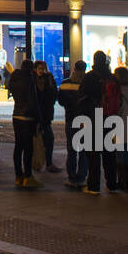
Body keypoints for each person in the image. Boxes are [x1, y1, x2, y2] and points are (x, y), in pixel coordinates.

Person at [83, 51, 114, 195]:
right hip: (110, 118)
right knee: (109, 153)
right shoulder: (111, 77)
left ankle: (94, 185)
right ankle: (112, 183)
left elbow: (82, 97)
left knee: (94, 154)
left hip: (93, 118)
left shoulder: (89, 77)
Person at [8, 59, 41, 188]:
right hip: (27, 117)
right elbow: (33, 101)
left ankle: (18, 175)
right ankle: (28, 175)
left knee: (18, 146)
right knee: (28, 148)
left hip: (16, 114)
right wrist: (38, 118)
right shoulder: (29, 81)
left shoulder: (14, 79)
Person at [58, 60, 89, 189]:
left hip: (70, 118)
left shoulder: (65, 83)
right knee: (84, 151)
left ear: (74, 68)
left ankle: (71, 177)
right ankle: (81, 177)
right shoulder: (87, 84)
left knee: (71, 150)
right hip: (85, 120)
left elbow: (61, 101)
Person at [34, 61, 60, 173]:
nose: (42, 71)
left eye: (43, 68)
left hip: (46, 114)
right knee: (36, 139)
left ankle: (48, 162)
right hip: (35, 115)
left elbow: (54, 94)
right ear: (35, 69)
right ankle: (36, 162)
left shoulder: (49, 79)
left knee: (49, 139)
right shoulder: (32, 80)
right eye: (39, 68)